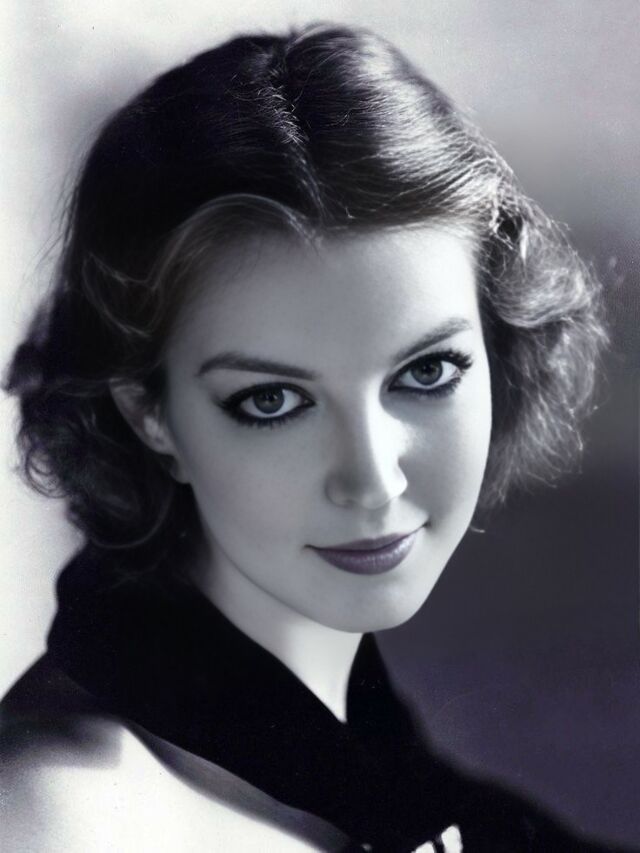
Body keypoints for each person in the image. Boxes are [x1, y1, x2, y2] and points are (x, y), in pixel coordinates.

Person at [0, 22, 628, 853]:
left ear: (496, 347)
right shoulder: (62, 818)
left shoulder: (396, 781)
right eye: (272, 400)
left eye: (427, 372)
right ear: (148, 412)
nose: (372, 480)